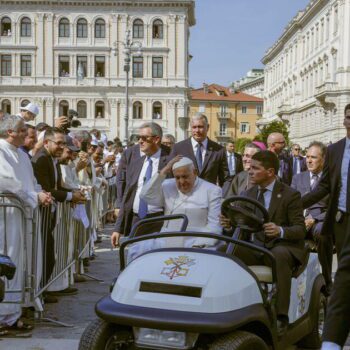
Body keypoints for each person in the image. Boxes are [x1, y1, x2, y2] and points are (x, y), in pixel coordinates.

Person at [222, 151, 306, 336]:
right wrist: (229, 225)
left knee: (279, 255)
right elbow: (239, 226)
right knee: (223, 251)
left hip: (281, 247)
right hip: (255, 247)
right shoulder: (247, 194)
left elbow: (300, 229)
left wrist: (280, 230)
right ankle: (226, 306)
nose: (249, 172)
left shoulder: (290, 195)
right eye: (249, 168)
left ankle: (281, 317)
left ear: (270, 172)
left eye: (255, 168)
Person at [0, 115, 51, 332]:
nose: (26, 135)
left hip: (22, 217)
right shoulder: (1, 151)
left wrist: (41, 193)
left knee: (20, 262)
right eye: (22, 131)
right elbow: (10, 182)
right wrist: (34, 197)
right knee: (7, 261)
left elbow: (30, 182)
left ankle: (13, 312)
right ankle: (4, 316)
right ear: (10, 132)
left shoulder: (20, 154)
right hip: (7, 218)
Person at [128, 156, 222, 259]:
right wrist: (164, 170)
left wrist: (199, 244)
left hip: (195, 240)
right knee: (135, 249)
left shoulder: (212, 190)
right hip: (167, 238)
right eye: (177, 177)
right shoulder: (168, 185)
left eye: (185, 176)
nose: (181, 182)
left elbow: (214, 225)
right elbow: (145, 195)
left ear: (195, 172)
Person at [31, 128, 85, 298]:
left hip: (50, 212)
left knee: (48, 256)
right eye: (59, 143)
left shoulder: (51, 159)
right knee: (44, 256)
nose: (62, 147)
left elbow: (56, 186)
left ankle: (41, 292)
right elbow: (46, 189)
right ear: (46, 142)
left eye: (63, 143)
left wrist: (72, 194)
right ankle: (39, 293)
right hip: (41, 213)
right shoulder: (41, 160)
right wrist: (70, 196)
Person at [111, 122, 170, 247]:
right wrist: (118, 228)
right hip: (136, 219)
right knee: (135, 257)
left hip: (160, 220)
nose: (140, 141)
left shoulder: (170, 157)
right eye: (139, 138)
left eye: (144, 138)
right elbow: (127, 189)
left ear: (156, 139)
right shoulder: (132, 156)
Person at [291, 141, 332, 293]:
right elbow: (292, 204)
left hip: (319, 222)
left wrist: (314, 218)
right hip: (299, 221)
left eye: (313, 157)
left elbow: (334, 208)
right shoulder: (298, 178)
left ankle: (328, 281)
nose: (308, 160)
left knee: (323, 233)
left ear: (324, 159)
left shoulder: (331, 180)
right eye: (307, 156)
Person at [170, 113, 230, 188]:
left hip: (210, 197)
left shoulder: (218, 150)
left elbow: (225, 179)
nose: (197, 130)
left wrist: (222, 197)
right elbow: (170, 175)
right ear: (190, 128)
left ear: (207, 127)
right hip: (185, 197)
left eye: (200, 127)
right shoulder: (178, 148)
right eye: (194, 127)